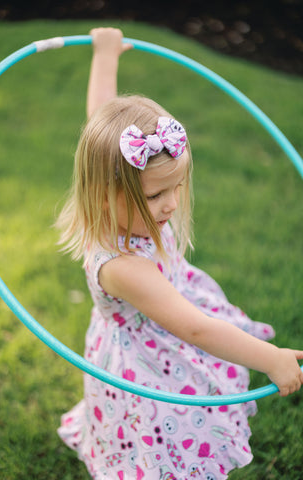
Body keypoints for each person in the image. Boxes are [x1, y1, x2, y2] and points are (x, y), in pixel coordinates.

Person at [56, 28, 303, 480]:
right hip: (147, 352)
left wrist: (105, 54)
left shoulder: (130, 203)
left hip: (171, 311)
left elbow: (100, 113)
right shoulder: (122, 267)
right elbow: (193, 326)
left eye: (176, 188)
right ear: (104, 192)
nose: (170, 204)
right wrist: (269, 359)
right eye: (155, 196)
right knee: (157, 440)